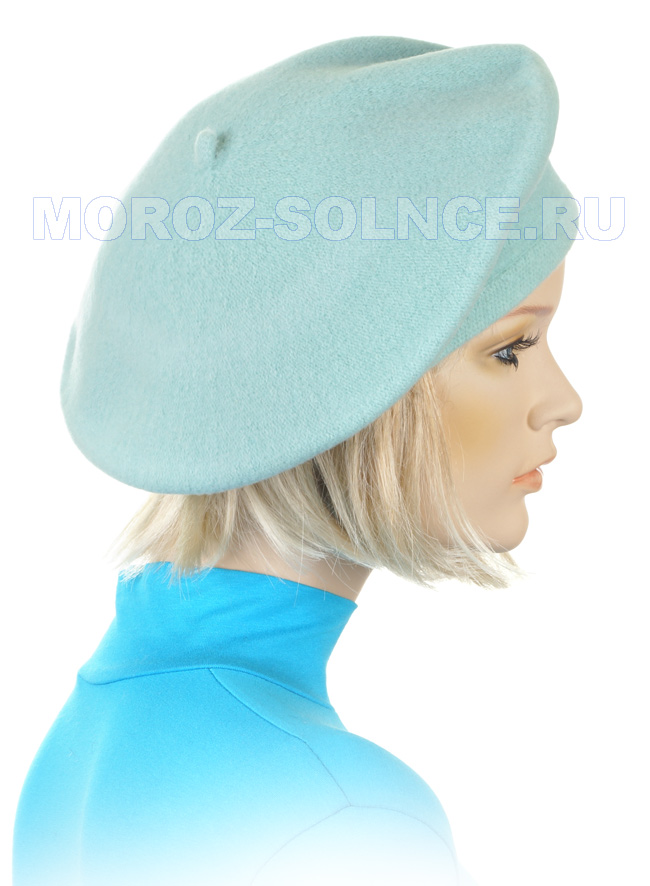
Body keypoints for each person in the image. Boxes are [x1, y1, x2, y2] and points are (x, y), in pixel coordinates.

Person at [12, 35, 582, 886]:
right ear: (353, 378)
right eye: (510, 349)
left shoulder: (83, 743)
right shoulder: (343, 817)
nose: (564, 400)